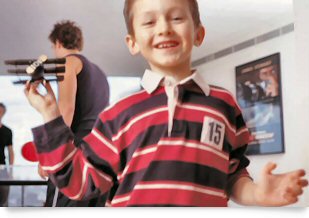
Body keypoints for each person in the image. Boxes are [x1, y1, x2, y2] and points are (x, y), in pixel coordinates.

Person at [25, 0, 307, 206]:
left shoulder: (224, 106)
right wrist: (50, 114)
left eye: (176, 18)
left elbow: (232, 176)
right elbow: (80, 182)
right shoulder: (119, 114)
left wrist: (258, 193)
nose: (164, 29)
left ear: (198, 33)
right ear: (133, 42)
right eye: (149, 22)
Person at [38, 20, 110, 207]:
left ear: (59, 43)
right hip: (100, 155)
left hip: (75, 153)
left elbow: (66, 110)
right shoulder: (100, 73)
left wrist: (49, 154)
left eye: (54, 47)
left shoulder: (67, 62)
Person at [0, 102, 14, 207]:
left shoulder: (7, 131)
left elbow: (10, 151)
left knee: (3, 200)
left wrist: (11, 169)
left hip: (2, 168)